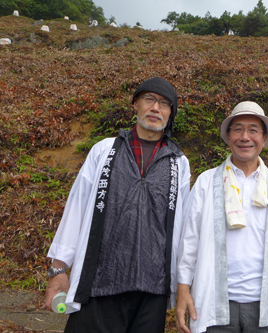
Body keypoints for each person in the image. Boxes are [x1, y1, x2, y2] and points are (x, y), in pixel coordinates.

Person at [44, 77, 191, 333]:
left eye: (164, 103)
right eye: (149, 99)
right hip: (100, 283)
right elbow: (77, 207)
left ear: (171, 113)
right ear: (136, 104)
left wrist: (182, 283)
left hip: (152, 288)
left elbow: (182, 228)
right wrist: (58, 268)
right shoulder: (104, 151)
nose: (156, 108)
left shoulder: (179, 163)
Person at [175, 101, 268, 333]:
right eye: (238, 129)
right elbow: (189, 239)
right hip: (213, 302)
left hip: (265, 305)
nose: (245, 137)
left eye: (253, 130)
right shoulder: (207, 182)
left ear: (264, 137)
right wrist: (183, 291)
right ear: (228, 136)